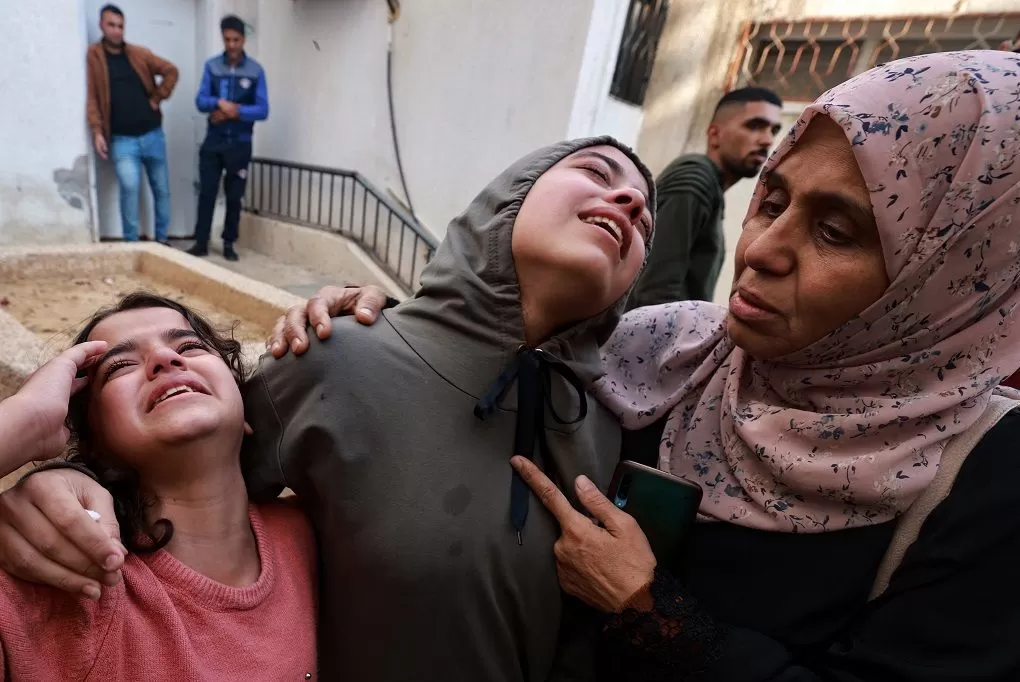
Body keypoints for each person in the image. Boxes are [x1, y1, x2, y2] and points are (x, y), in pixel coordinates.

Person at [259, 50, 1020, 680]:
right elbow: (478, 352)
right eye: (771, 200)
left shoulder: (988, 480)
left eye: (834, 232)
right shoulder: (666, 355)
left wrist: (656, 614)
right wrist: (379, 330)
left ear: (952, 280)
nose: (761, 250)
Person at [0, 138, 655, 681]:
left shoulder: (604, 428)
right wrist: (63, 479)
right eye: (597, 173)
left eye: (649, 221)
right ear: (505, 198)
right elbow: (186, 473)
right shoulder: (334, 357)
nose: (630, 203)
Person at [0, 292, 316, 680]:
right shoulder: (65, 582)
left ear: (246, 409)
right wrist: (23, 421)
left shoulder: (319, 531)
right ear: (96, 444)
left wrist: (363, 320)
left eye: (190, 347)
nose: (166, 359)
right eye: (120, 366)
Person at [628, 87, 782, 308]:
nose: (767, 140)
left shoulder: (710, 186)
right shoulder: (694, 179)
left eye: (773, 130)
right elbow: (655, 292)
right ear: (715, 134)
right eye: (755, 126)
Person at [87, 4, 178, 244]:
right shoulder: (94, 56)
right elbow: (93, 97)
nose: (116, 31)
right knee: (129, 189)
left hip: (152, 135)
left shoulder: (139, 54)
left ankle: (162, 241)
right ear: (101, 25)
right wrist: (97, 130)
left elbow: (171, 70)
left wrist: (158, 97)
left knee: (161, 190)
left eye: (120, 26)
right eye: (111, 25)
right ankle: (131, 245)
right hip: (122, 140)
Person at [187, 15, 269, 262]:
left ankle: (228, 243)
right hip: (214, 141)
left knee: (234, 197)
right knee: (207, 192)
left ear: (243, 39)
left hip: (240, 144)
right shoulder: (212, 66)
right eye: (227, 40)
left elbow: (263, 110)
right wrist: (218, 103)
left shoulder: (255, 71)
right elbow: (201, 101)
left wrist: (237, 111)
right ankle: (201, 242)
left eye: (236, 40)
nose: (231, 45)